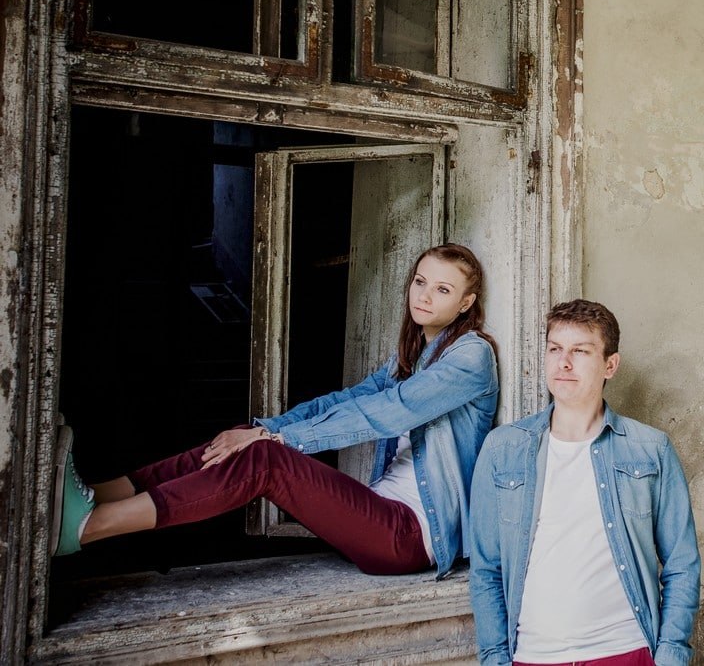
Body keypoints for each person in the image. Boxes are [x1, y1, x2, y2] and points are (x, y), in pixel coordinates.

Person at [50, 243, 499, 578]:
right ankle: (98, 495)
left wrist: (277, 439)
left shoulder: (470, 357)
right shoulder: (411, 356)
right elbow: (344, 401)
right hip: (377, 514)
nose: (424, 295)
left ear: (465, 303)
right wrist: (265, 428)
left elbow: (391, 411)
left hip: (409, 536)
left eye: (442, 289)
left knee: (265, 458)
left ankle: (90, 527)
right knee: (241, 439)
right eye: (420, 281)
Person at [469, 299, 701, 666]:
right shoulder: (503, 449)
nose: (563, 362)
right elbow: (486, 570)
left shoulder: (650, 449)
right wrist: (495, 658)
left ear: (610, 365)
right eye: (555, 349)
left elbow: (682, 563)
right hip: (533, 656)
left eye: (580, 351)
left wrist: (670, 655)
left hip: (625, 651)